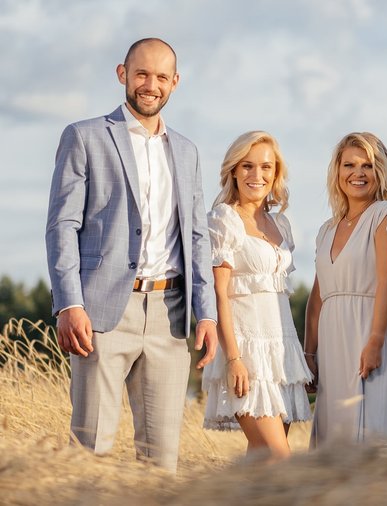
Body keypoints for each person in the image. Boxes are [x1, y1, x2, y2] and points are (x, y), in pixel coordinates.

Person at [45, 38, 217, 472]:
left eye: (161, 77)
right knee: (91, 451)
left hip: (169, 315)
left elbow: (197, 236)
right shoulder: (84, 136)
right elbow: (62, 225)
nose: (150, 85)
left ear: (175, 82)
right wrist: (69, 304)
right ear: (122, 74)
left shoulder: (187, 150)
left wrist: (207, 314)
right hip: (101, 314)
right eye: (141, 74)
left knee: (161, 463)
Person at [201, 131, 312, 458]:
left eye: (266, 167)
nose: (257, 175)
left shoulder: (281, 224)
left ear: (276, 173)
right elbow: (219, 294)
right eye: (247, 166)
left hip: (281, 352)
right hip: (246, 353)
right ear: (234, 171)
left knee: (262, 464)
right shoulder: (223, 220)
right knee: (281, 460)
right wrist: (234, 359)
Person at [305, 132, 387, 445]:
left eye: (367, 165)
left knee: (372, 430)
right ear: (337, 171)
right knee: (335, 433)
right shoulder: (326, 229)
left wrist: (375, 341)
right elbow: (317, 297)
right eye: (349, 165)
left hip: (368, 332)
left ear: (381, 172)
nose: (358, 173)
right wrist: (309, 352)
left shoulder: (385, 215)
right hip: (331, 341)